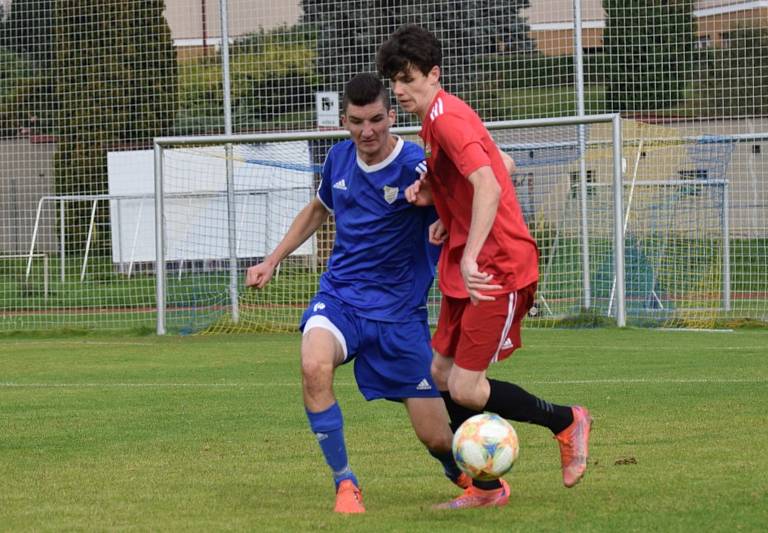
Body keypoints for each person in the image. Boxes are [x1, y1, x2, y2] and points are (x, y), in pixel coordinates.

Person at [377, 24, 593, 510]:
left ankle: (566, 420)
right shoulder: (435, 121)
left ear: (434, 75)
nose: (399, 89)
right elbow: (504, 163)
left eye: (407, 78)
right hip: (469, 264)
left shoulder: (448, 120)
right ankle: (486, 490)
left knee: (467, 389)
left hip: (496, 268)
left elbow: (491, 184)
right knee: (438, 374)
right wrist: (443, 210)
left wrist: (470, 248)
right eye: (395, 80)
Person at [245, 73, 468, 514]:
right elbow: (317, 210)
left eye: (376, 120)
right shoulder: (338, 160)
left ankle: (456, 467)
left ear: (390, 115)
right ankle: (345, 483)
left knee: (437, 437)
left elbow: (464, 199)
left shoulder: (418, 164)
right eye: (356, 121)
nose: (367, 131)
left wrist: (446, 219)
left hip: (399, 315)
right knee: (313, 364)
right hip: (342, 298)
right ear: (343, 121)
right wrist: (272, 259)